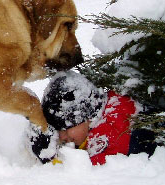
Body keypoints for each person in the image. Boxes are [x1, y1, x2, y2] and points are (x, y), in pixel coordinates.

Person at [29, 71, 157, 165]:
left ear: (87, 115)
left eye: (67, 129)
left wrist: (50, 159)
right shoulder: (98, 116)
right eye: (59, 131)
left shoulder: (113, 126)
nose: (62, 137)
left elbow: (90, 171)